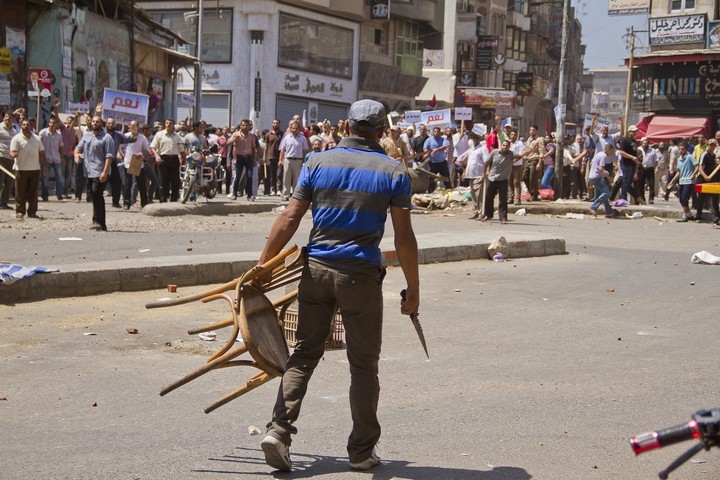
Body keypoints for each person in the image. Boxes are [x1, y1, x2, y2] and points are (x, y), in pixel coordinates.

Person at [258, 99, 419, 473]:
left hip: (315, 270)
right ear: (382, 131)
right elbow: (404, 237)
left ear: (347, 126)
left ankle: (278, 431)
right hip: (359, 276)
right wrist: (413, 289)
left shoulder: (317, 161)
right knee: (363, 366)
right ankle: (362, 452)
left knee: (303, 353)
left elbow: (290, 216)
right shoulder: (393, 171)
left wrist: (261, 265)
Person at [75, 115, 115, 231]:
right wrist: (76, 154)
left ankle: (99, 222)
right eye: (93, 121)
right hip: (88, 171)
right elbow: (78, 148)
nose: (94, 123)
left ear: (101, 124)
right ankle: (98, 222)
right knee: (93, 195)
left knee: (97, 194)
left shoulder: (107, 138)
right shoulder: (86, 136)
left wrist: (105, 172)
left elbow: (109, 156)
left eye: (97, 122)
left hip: (100, 171)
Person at [10, 119, 46, 219]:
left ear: (31, 126)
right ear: (20, 126)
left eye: (28, 125)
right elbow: (12, 151)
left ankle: (32, 212)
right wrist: (13, 154)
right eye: (24, 125)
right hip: (20, 169)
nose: (26, 126)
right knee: (20, 192)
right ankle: (20, 211)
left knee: (33, 192)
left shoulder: (37, 138)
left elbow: (42, 152)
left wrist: (45, 166)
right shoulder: (16, 138)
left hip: (35, 169)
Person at [150, 119, 185, 202]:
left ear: (173, 125)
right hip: (163, 158)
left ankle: (174, 199)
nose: (168, 125)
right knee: (162, 180)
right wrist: (157, 156)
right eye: (167, 123)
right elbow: (152, 147)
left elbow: (181, 149)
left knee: (175, 180)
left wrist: (184, 159)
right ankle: (163, 199)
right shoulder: (159, 134)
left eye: (170, 123)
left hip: (174, 159)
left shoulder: (176, 136)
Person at [480, 139, 514, 224]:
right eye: (503, 145)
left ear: (509, 147)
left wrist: (531, 150)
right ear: (501, 145)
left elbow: (520, 155)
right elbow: (486, 162)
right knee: (488, 198)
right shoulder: (494, 152)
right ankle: (488, 215)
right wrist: (485, 173)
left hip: (503, 180)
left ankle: (503, 218)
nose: (504, 147)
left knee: (503, 200)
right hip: (492, 179)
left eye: (506, 146)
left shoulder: (511, 154)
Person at [120, 121, 149, 209]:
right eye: (131, 125)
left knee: (141, 184)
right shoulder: (126, 136)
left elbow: (146, 150)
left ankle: (144, 203)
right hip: (128, 162)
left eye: (135, 125)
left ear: (138, 126)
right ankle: (126, 203)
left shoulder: (142, 138)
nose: (133, 127)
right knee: (127, 184)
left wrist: (142, 153)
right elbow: (120, 147)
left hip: (138, 163)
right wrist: (122, 155)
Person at [667, 142, 699, 222]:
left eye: (682, 149)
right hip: (681, 181)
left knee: (685, 199)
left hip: (689, 181)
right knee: (681, 199)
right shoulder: (679, 159)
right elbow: (678, 171)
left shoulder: (689, 157)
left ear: (686, 149)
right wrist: (672, 181)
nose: (681, 151)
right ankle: (689, 215)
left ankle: (685, 215)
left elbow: (697, 166)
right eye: (679, 149)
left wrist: (693, 174)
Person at [279, 120, 308, 201]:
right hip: (288, 160)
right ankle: (285, 195)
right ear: (290, 128)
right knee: (286, 178)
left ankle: (295, 196)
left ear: (299, 129)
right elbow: (282, 149)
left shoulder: (302, 138)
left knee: (297, 179)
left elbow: (305, 150)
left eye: (296, 128)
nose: (294, 130)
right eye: (292, 128)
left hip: (298, 160)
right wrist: (280, 160)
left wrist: (305, 161)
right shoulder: (286, 137)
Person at [461, 133, 488, 219]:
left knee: (479, 194)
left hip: (479, 175)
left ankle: (481, 212)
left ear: (479, 139)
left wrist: (485, 172)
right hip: (471, 175)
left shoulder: (482, 149)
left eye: (476, 138)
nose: (475, 140)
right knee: (473, 194)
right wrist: (464, 172)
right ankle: (476, 211)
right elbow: (468, 162)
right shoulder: (471, 150)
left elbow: (486, 161)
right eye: (473, 138)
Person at [587, 144, 617, 218]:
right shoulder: (603, 156)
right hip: (597, 177)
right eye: (611, 151)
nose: (611, 153)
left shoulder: (598, 154)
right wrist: (609, 177)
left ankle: (609, 211)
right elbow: (601, 169)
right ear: (607, 149)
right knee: (606, 193)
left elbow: (593, 164)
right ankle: (593, 207)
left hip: (593, 176)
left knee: (601, 195)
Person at [38, 117, 65, 201]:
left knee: (59, 177)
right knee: (45, 177)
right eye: (51, 123)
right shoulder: (43, 133)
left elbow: (60, 147)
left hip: (56, 158)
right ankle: (45, 195)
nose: (52, 124)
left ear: (56, 124)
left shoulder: (59, 134)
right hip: (46, 158)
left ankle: (59, 193)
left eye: (54, 123)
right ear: (48, 123)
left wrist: (62, 158)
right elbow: (39, 145)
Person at [695, 139, 719, 224]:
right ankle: (698, 216)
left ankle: (716, 218)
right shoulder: (704, 154)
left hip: (711, 180)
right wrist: (705, 177)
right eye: (710, 145)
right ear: (707, 145)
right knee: (701, 199)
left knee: (714, 199)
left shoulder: (714, 156)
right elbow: (700, 167)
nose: (712, 146)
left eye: (713, 145)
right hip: (703, 179)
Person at [616, 125, 642, 202]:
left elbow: (635, 152)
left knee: (629, 181)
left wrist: (636, 161)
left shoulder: (634, 141)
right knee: (625, 180)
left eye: (635, 131)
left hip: (633, 164)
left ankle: (624, 197)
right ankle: (622, 197)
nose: (634, 133)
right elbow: (621, 152)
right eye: (633, 131)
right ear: (629, 132)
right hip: (626, 163)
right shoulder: (625, 140)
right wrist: (631, 157)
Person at [519, 125, 544, 201]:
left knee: (532, 178)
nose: (531, 131)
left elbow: (541, 151)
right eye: (530, 130)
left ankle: (533, 195)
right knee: (524, 177)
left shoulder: (539, 140)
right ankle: (534, 193)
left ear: (536, 131)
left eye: (533, 130)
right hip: (528, 159)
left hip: (535, 159)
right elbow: (527, 150)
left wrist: (539, 163)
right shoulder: (529, 139)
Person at [0, 112, 19, 209]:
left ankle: (4, 203)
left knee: (9, 182)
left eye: (10, 117)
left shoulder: (14, 131)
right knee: (0, 181)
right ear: (3, 118)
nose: (8, 118)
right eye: (6, 116)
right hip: (1, 158)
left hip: (11, 159)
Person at [423, 126, 450, 191]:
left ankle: (449, 191)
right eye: (435, 131)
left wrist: (436, 150)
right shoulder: (429, 140)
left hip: (442, 162)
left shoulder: (443, 139)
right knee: (431, 179)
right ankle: (431, 193)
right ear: (433, 132)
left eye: (437, 132)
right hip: (433, 163)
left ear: (439, 132)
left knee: (446, 179)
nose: (436, 133)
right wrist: (426, 151)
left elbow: (445, 146)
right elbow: (425, 148)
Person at [263, 119, 283, 195]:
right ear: (272, 124)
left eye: (277, 123)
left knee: (279, 174)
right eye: (274, 123)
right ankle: (273, 190)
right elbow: (266, 146)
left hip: (279, 157)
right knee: (272, 174)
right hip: (271, 157)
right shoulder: (268, 134)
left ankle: (279, 189)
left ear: (279, 124)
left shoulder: (282, 134)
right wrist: (264, 156)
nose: (275, 124)